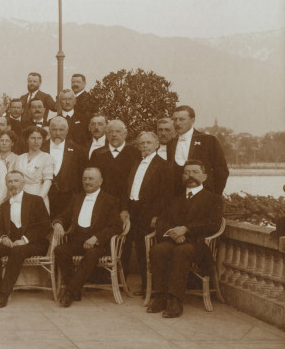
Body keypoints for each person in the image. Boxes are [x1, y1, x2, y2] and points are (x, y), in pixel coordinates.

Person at [147, 160, 223, 318]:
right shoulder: (175, 199)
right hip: (173, 241)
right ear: (182, 176)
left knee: (182, 251)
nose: (191, 176)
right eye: (187, 172)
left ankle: (175, 300)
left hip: (198, 245)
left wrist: (187, 229)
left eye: (195, 172)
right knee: (157, 250)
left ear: (204, 176)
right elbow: (162, 220)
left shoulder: (214, 199)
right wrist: (173, 232)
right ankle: (161, 295)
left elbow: (214, 225)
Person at [53, 167, 123, 307]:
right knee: (60, 250)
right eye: (84, 178)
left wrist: (96, 237)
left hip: (100, 244)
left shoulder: (110, 200)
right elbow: (63, 216)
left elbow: (116, 226)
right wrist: (58, 224)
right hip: (78, 239)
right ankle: (75, 289)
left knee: (91, 254)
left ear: (100, 181)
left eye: (91, 178)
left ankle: (70, 292)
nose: (87, 181)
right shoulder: (77, 198)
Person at [0, 170, 52, 308]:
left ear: (23, 183)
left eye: (16, 181)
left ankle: (4, 293)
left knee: (17, 252)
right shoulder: (4, 205)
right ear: (6, 184)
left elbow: (45, 226)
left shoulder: (36, 200)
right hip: (13, 243)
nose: (13, 184)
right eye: (10, 181)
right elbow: (0, 228)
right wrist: (3, 237)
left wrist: (25, 239)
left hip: (35, 243)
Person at [125, 131, 175, 296]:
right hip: (134, 210)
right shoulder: (136, 162)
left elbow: (166, 195)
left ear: (156, 145)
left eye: (148, 143)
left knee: (149, 250)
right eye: (142, 143)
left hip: (150, 213)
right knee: (139, 249)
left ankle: (154, 286)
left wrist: (157, 216)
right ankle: (145, 285)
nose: (145, 146)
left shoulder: (164, 165)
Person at [167, 105, 229, 195]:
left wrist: (214, 195)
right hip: (176, 200)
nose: (177, 123)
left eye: (181, 119)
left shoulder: (208, 140)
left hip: (203, 199)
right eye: (175, 119)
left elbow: (221, 171)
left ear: (192, 120)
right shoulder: (170, 143)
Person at [45, 117, 85, 222]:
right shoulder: (41, 147)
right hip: (45, 197)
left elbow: (81, 175)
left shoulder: (77, 149)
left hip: (68, 201)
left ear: (67, 131)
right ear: (49, 130)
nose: (57, 133)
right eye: (54, 129)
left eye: (61, 130)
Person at [89, 119, 141, 201]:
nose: (114, 135)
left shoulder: (135, 153)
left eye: (118, 132)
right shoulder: (97, 154)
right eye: (110, 132)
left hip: (128, 202)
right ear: (106, 134)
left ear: (125, 134)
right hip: (103, 202)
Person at [15, 126, 54, 210]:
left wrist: (38, 199)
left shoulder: (47, 157)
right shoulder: (20, 158)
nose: (36, 141)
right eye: (33, 138)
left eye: (39, 138)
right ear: (26, 139)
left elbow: (48, 181)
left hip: (38, 195)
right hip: (20, 195)